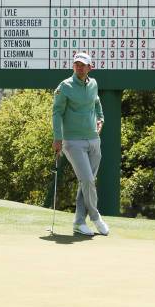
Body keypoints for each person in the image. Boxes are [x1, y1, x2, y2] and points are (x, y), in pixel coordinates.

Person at [52, 52, 109, 236]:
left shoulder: (93, 84)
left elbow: (97, 102)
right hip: (73, 141)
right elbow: (57, 112)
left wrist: (100, 118)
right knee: (87, 180)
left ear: (90, 67)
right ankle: (95, 216)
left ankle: (78, 222)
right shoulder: (65, 86)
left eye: (83, 65)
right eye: (76, 64)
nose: (79, 67)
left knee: (87, 183)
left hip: (93, 140)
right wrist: (58, 138)